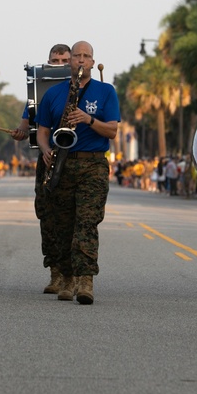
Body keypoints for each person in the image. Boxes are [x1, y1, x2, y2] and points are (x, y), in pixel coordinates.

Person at [36, 41, 120, 305]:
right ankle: (67, 278)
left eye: (87, 56)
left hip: (93, 164)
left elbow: (113, 131)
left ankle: (86, 281)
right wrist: (45, 149)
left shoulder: (106, 92)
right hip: (62, 162)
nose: (81, 60)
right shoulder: (53, 93)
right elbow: (42, 131)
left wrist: (88, 120)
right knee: (62, 225)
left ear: (93, 63)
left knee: (86, 222)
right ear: (70, 61)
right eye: (77, 56)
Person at [9, 43, 71, 294]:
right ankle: (55, 273)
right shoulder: (38, 92)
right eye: (54, 61)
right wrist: (20, 132)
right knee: (48, 217)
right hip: (47, 159)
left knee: (74, 218)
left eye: (64, 61)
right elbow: (26, 126)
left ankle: (74, 274)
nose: (59, 66)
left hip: (76, 158)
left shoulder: (87, 89)